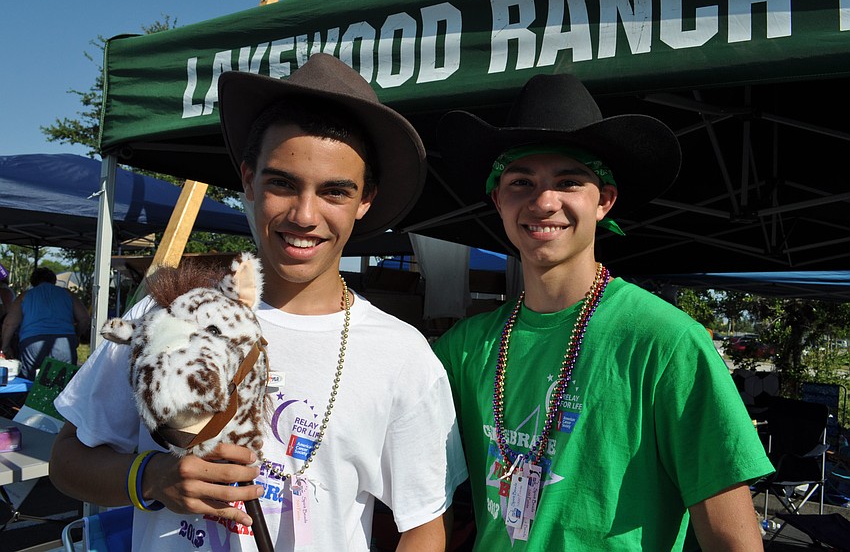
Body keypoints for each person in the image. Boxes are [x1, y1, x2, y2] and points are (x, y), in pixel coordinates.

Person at [50, 53, 467, 551]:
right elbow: (67, 460)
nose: (305, 215)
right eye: (282, 184)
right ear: (248, 180)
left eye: (335, 192)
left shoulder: (403, 356)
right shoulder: (169, 312)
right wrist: (153, 477)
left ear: (365, 200)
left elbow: (423, 527)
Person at [432, 74, 774, 551]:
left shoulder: (666, 341)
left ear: (604, 201)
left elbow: (733, 539)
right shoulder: (464, 347)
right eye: (521, 182)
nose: (543, 201)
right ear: (498, 200)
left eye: (569, 181)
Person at [1, 267, 90, 379]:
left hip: (32, 343)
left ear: (33, 281)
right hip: (64, 343)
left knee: (30, 383)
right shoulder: (67, 293)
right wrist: (77, 334)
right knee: (61, 384)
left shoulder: (24, 296)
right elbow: (84, 318)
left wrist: (5, 347)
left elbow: (10, 324)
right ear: (53, 280)